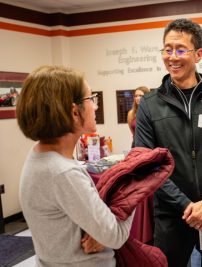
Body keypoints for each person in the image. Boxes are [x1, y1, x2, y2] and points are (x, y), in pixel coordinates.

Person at [135, 18, 202, 267]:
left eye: (180, 50)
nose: (172, 56)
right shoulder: (150, 105)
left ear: (198, 54)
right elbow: (148, 165)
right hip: (172, 215)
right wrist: (189, 207)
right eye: (167, 50)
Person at [16, 65, 134, 267]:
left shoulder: (39, 155)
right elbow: (115, 235)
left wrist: (99, 232)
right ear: (74, 112)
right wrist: (133, 186)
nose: (95, 107)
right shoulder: (63, 173)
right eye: (91, 99)